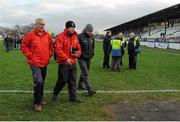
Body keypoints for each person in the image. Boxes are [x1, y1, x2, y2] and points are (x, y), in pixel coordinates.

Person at [21, 18, 54, 112]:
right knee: (39, 82)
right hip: (34, 63)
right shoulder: (30, 35)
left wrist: (49, 54)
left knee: (42, 82)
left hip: (44, 62)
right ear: (36, 25)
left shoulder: (47, 35)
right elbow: (24, 46)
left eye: (44, 24)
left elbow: (51, 46)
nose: (42, 26)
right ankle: (37, 103)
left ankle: (40, 98)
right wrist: (30, 56)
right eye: (41, 24)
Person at [52, 21, 81, 103]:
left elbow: (78, 47)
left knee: (73, 80)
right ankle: (56, 92)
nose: (72, 29)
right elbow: (58, 50)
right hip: (63, 63)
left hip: (73, 62)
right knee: (63, 80)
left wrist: (77, 54)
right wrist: (66, 58)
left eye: (73, 27)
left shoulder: (75, 36)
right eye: (71, 27)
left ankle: (73, 97)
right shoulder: (61, 36)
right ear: (67, 28)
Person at [77, 24, 96, 96]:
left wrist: (92, 54)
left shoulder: (92, 37)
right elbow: (76, 47)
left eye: (91, 31)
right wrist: (79, 55)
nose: (90, 32)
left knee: (84, 72)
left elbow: (93, 46)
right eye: (89, 31)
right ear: (86, 30)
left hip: (88, 58)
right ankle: (90, 90)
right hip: (81, 58)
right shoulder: (80, 36)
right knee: (85, 74)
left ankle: (80, 85)